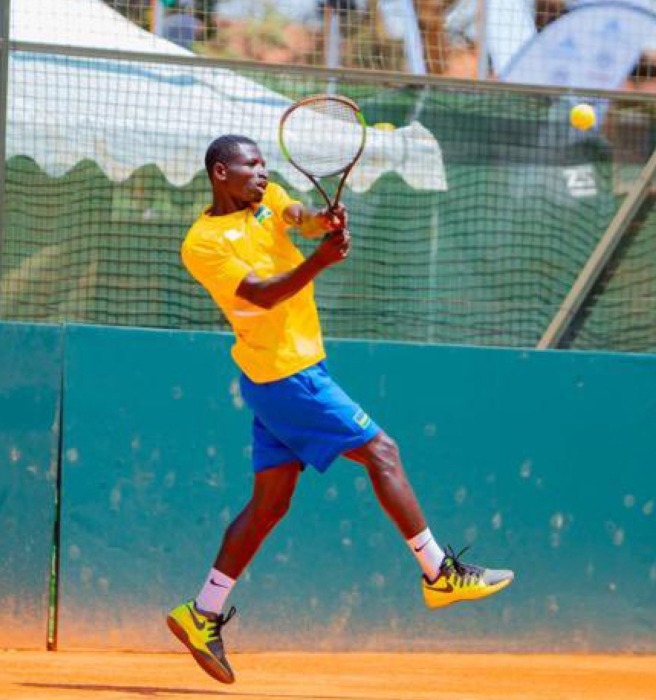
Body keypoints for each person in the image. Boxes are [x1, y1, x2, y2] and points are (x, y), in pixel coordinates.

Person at [167, 135, 513, 684]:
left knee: (268, 507)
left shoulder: (268, 201)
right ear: (219, 172)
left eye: (263, 164)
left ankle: (202, 611)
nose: (261, 173)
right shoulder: (202, 242)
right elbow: (259, 294)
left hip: (287, 373)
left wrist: (321, 222)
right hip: (287, 377)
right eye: (249, 166)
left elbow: (297, 215)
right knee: (383, 452)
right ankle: (438, 572)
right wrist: (320, 263)